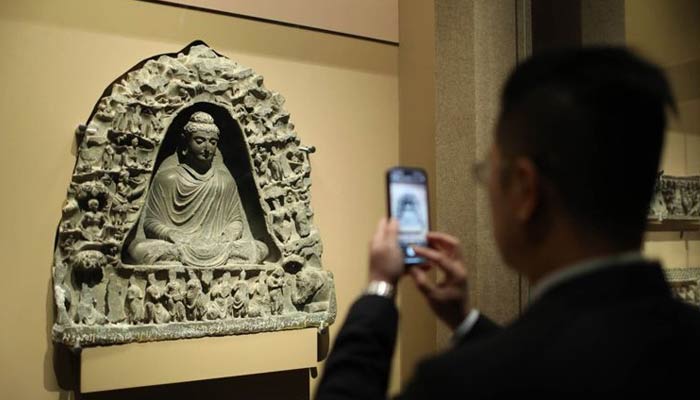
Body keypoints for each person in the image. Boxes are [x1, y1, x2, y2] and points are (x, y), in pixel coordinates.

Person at [316, 47, 700, 397]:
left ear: (524, 188)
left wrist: (379, 290)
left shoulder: (459, 384)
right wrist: (465, 321)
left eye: (488, 172)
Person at [127, 111, 268, 267]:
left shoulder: (225, 181)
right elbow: (151, 222)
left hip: (219, 245)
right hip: (179, 244)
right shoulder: (168, 178)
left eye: (213, 142)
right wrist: (172, 234)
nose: (207, 148)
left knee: (260, 248)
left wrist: (229, 234)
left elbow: (235, 221)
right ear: (185, 145)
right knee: (138, 249)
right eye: (199, 141)